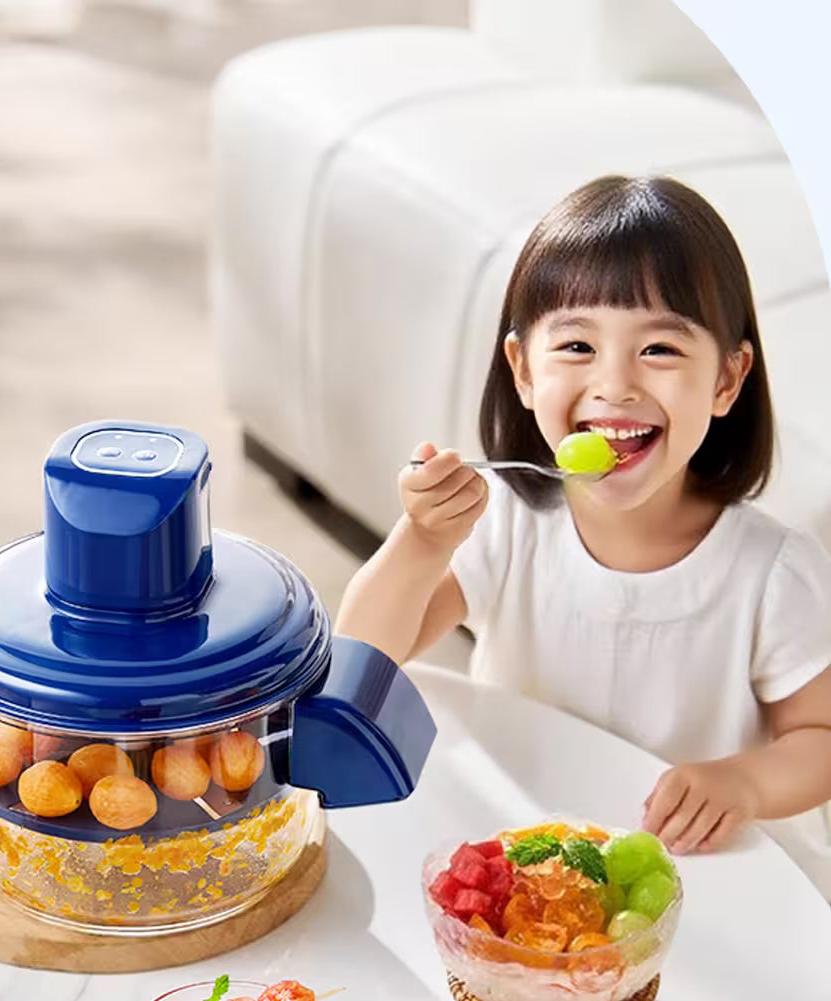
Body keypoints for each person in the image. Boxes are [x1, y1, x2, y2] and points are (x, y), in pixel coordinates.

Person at [335, 175, 831, 898]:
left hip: (714, 878)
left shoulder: (770, 571)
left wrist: (744, 782)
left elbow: (820, 738)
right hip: (539, 864)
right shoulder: (505, 522)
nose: (615, 384)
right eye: (575, 345)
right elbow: (363, 659)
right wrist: (421, 540)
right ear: (523, 370)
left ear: (727, 380)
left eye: (659, 349)